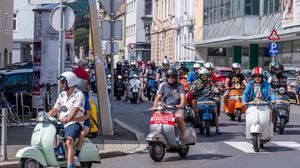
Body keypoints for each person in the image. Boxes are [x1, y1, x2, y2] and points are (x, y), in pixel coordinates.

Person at [48, 72, 85, 168]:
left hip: (74, 122)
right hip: (62, 122)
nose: (61, 84)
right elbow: (55, 110)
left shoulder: (79, 95)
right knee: (49, 129)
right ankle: (57, 150)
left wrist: (67, 119)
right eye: (61, 82)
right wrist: (44, 116)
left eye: (63, 82)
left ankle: (69, 165)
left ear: (70, 82)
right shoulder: (62, 95)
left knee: (69, 141)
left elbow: (74, 110)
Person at [151, 68, 186, 145]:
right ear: (166, 77)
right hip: (167, 108)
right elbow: (158, 96)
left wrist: (181, 104)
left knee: (178, 118)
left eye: (173, 77)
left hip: (177, 109)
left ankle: (182, 137)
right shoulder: (164, 86)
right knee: (158, 118)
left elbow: (182, 96)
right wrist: (154, 106)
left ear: (176, 77)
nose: (171, 79)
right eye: (169, 77)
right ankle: (166, 136)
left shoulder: (180, 86)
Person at [187, 68, 221, 134]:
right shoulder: (196, 82)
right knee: (193, 102)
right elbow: (192, 89)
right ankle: (195, 117)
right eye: (203, 75)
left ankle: (217, 128)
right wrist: (193, 91)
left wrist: (216, 90)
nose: (204, 76)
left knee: (215, 110)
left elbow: (214, 87)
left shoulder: (209, 81)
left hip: (209, 98)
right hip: (199, 98)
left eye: (205, 75)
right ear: (200, 75)